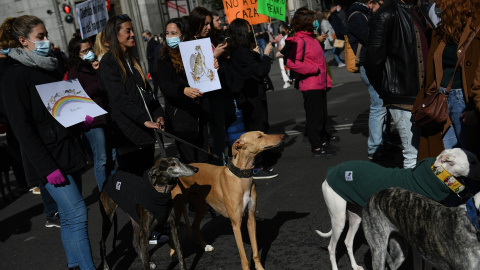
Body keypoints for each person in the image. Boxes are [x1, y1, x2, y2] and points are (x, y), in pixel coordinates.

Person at [0, 15, 94, 269]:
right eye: (40, 37)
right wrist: (46, 167)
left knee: (69, 215)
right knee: (77, 213)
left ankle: (76, 265)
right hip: (47, 159)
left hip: (65, 149)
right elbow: (22, 129)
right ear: (23, 41)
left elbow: (56, 109)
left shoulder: (46, 66)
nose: (46, 41)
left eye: (45, 35)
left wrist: (78, 119)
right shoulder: (13, 76)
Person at [98, 14, 165, 177]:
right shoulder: (108, 63)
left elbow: (147, 92)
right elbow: (119, 98)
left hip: (146, 132)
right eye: (128, 31)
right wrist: (143, 119)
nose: (133, 34)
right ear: (116, 35)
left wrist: (158, 114)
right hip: (128, 135)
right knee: (136, 182)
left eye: (132, 30)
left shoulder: (131, 58)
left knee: (149, 178)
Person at [366, 0, 429, 169]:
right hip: (403, 96)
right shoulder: (386, 13)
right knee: (412, 154)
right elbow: (372, 60)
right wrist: (388, 90)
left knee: (426, 152)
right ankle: (412, 195)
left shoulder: (419, 9)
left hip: (424, 93)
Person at [415, 0, 480, 160]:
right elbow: (434, 63)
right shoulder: (442, 29)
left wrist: (478, 112)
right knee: (446, 158)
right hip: (441, 97)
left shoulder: (476, 25)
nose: (437, 6)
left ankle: (471, 186)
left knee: (468, 157)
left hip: (464, 99)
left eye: (441, 3)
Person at [224, 18, 278, 179]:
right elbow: (260, 71)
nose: (251, 32)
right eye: (248, 29)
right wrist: (266, 55)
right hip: (250, 97)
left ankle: (261, 161)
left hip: (254, 94)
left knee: (260, 125)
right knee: (256, 128)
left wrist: (255, 55)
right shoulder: (240, 52)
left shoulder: (242, 51)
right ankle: (256, 166)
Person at [156, 17, 210, 164]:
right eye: (167, 33)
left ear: (183, 35)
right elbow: (165, 85)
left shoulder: (193, 52)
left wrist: (213, 67)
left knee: (203, 155)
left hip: (199, 112)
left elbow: (204, 74)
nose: (170, 37)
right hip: (180, 116)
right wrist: (183, 90)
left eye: (174, 33)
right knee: (189, 159)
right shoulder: (164, 59)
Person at [66, 34, 116, 191]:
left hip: (106, 117)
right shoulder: (75, 72)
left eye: (89, 49)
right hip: (92, 122)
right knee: (101, 159)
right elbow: (78, 96)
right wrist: (98, 81)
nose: (89, 52)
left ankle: (115, 187)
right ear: (77, 54)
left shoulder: (95, 66)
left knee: (112, 156)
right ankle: (105, 192)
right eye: (84, 50)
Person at [286, 9, 335, 157]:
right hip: (311, 84)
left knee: (321, 116)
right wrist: (313, 69)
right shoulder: (299, 40)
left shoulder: (312, 38)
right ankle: (317, 147)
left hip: (319, 83)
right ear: (307, 22)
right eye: (314, 19)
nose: (316, 21)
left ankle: (322, 142)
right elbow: (292, 62)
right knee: (315, 117)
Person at [346, 0, 391, 160]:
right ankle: (375, 148)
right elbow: (370, 38)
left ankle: (382, 144)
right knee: (378, 105)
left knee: (382, 105)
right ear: (370, 2)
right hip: (368, 63)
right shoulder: (357, 16)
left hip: (372, 63)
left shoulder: (362, 14)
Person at [273, 23, 292, 88]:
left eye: (283, 29)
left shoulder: (289, 36)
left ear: (287, 30)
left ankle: (291, 78)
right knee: (282, 68)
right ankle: (286, 81)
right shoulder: (282, 37)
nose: (282, 31)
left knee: (289, 67)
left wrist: (282, 49)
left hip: (287, 54)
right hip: (281, 55)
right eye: (281, 29)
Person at [141, 30, 159, 95]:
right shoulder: (149, 42)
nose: (143, 38)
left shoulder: (153, 42)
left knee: (156, 81)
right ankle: (155, 94)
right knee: (155, 81)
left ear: (148, 35)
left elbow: (157, 52)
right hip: (152, 66)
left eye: (144, 36)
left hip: (154, 66)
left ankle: (155, 94)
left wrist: (151, 56)